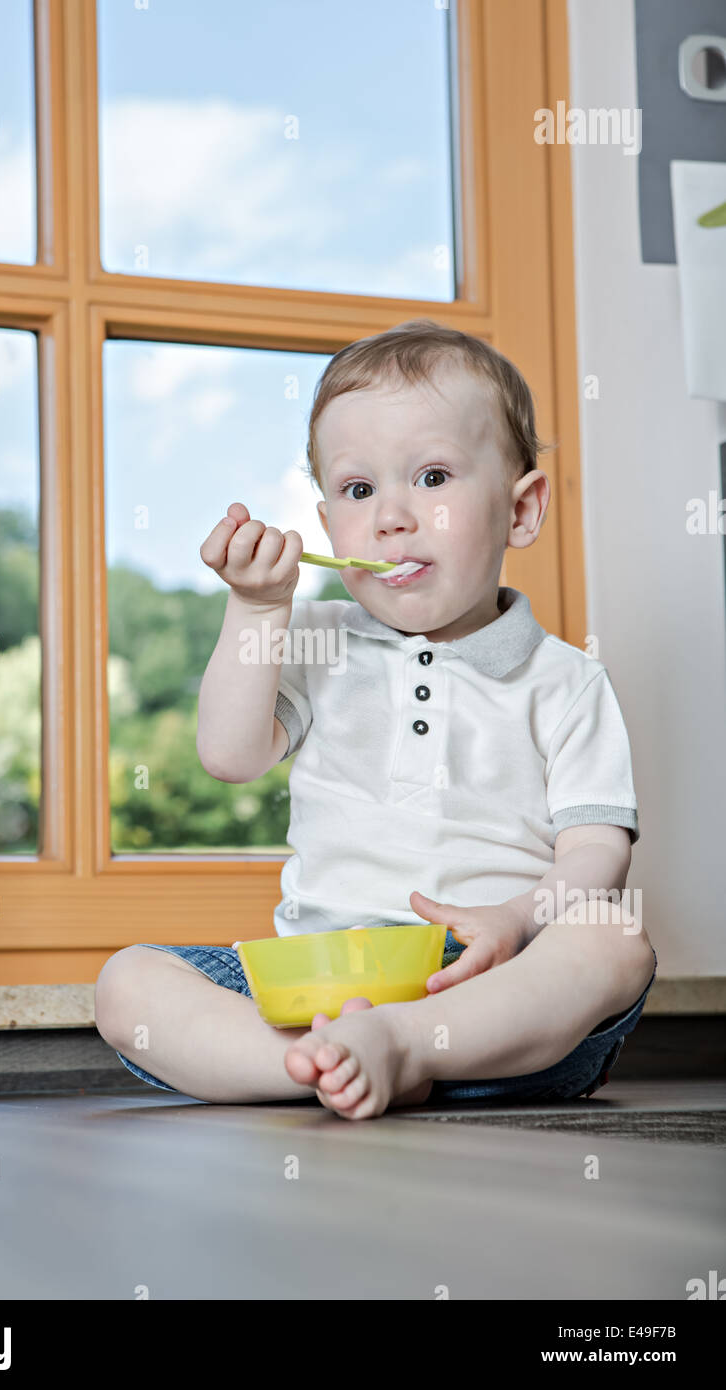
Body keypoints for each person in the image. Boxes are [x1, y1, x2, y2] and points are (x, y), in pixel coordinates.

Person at [95, 318, 657, 1121]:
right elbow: (229, 755)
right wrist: (257, 607)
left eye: (431, 477)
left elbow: (598, 851)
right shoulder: (318, 637)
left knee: (613, 937)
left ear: (521, 510)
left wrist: (515, 919)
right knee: (128, 984)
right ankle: (319, 1062)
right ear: (328, 527)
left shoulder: (566, 680)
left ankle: (406, 1044)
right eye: (359, 491)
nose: (391, 516)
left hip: (491, 987)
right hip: (316, 981)